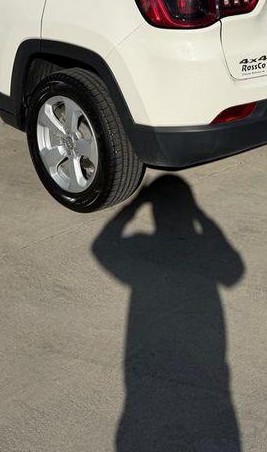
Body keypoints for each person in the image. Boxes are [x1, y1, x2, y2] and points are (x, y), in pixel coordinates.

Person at [92, 176, 245, 452]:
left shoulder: (142, 246)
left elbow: (102, 247)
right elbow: (234, 272)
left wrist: (134, 204)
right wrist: (200, 216)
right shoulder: (201, 248)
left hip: (149, 381)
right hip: (209, 373)